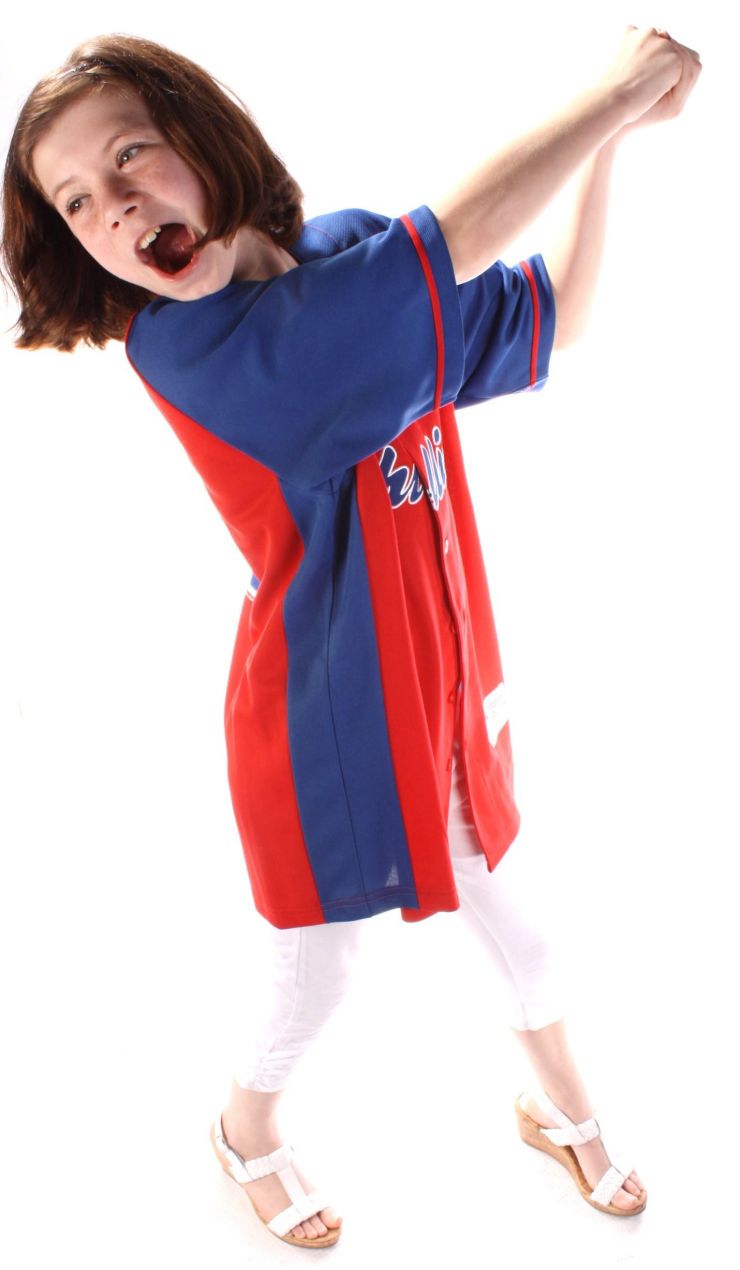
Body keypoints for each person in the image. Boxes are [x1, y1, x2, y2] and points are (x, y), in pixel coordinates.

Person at [1, 25, 701, 1247]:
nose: (111, 207)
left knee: (523, 930)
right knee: (315, 978)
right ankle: (243, 1131)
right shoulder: (190, 350)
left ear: (203, 141)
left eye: (129, 156)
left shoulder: (345, 257)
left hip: (438, 686)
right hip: (318, 720)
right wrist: (616, 88)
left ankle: (560, 1108)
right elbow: (452, 243)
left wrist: (613, 148)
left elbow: (554, 318)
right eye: (75, 202)